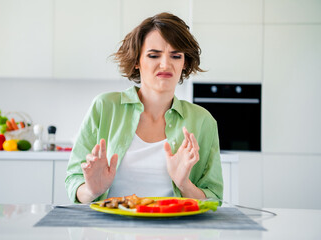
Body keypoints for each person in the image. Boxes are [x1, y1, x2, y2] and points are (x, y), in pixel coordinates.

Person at [65, 12, 223, 204]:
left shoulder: (202, 121)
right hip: (112, 231)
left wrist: (184, 184)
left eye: (175, 56)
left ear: (185, 63)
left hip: (175, 232)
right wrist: (91, 190)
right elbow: (74, 179)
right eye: (153, 55)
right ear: (137, 61)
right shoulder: (105, 107)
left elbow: (214, 198)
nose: (165, 64)